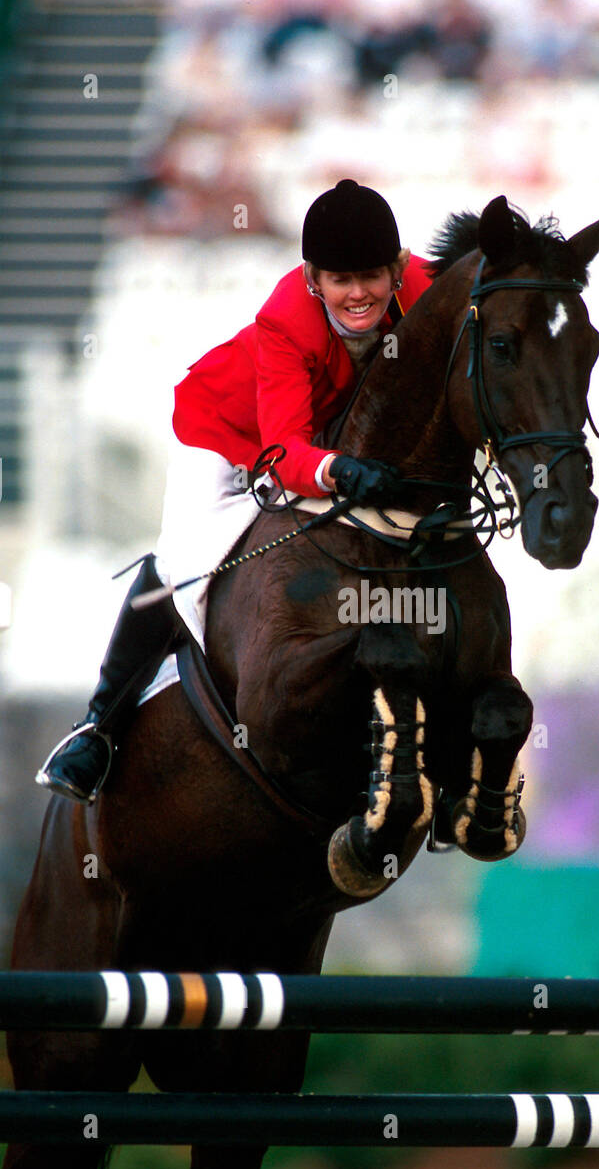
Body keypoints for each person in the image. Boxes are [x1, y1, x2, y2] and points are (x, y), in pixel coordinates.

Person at [36, 179, 433, 804]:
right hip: (227, 436)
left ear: (397, 268)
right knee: (185, 563)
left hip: (319, 437)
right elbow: (283, 452)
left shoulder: (424, 290)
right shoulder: (286, 322)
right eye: (338, 279)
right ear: (312, 279)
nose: (357, 294)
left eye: (370, 277)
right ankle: (98, 727)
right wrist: (340, 471)